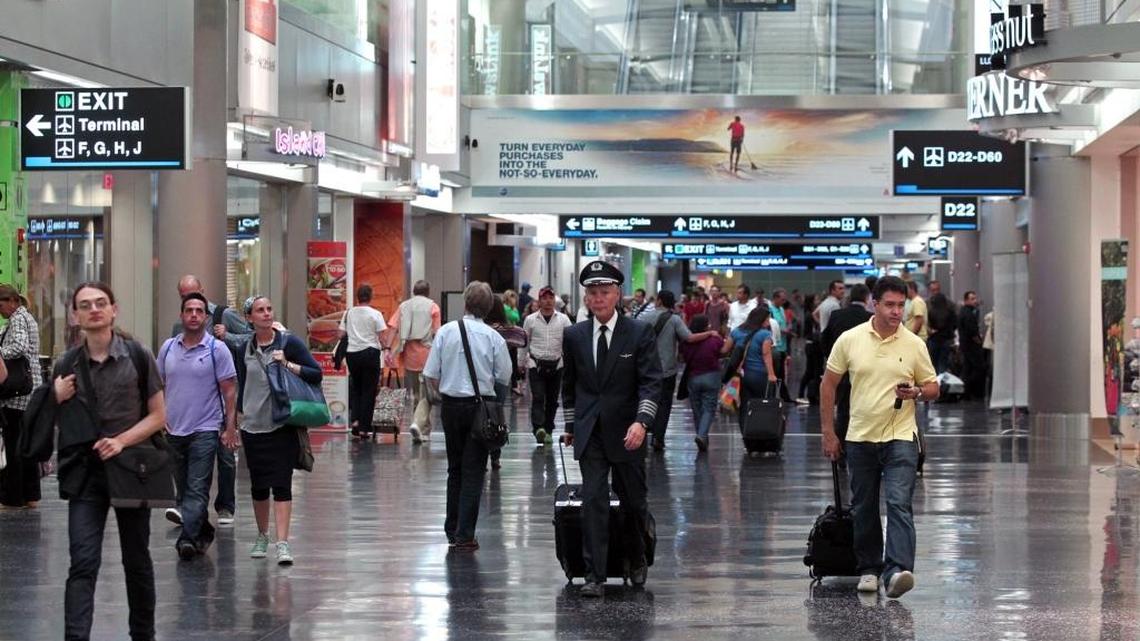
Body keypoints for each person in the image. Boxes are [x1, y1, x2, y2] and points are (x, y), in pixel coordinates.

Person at [47, 283, 167, 641]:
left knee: (136, 559)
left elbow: (159, 416)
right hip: (85, 474)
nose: (94, 310)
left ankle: (143, 634)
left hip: (132, 469)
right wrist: (53, 397)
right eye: (85, 305)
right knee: (82, 562)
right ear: (75, 316)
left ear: (114, 310)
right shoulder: (66, 364)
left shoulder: (137, 356)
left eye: (101, 303)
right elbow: (54, 423)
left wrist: (120, 441)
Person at [820, 276, 938, 600]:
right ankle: (869, 568)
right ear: (874, 303)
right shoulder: (850, 339)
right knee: (864, 506)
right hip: (859, 437)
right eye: (889, 304)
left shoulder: (914, 344)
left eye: (901, 305)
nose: (896, 311)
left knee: (899, 503)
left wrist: (916, 391)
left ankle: (897, 570)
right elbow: (828, 385)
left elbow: (933, 387)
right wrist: (829, 433)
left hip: (901, 435)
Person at [561, 260, 663, 597]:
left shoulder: (638, 333)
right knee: (593, 501)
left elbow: (651, 383)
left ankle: (636, 558)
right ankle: (594, 574)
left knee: (634, 503)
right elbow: (570, 385)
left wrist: (642, 422)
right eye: (592, 293)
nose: (598, 298)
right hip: (591, 434)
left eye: (604, 292)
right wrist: (571, 426)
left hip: (628, 433)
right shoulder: (574, 336)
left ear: (617, 294)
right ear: (586, 298)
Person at [234, 295, 322, 566]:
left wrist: (287, 363)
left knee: (281, 483)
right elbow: (240, 384)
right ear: (249, 318)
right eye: (259, 310)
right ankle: (263, 535)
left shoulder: (288, 342)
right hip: (252, 426)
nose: (266, 314)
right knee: (259, 485)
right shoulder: (244, 347)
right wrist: (235, 422)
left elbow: (315, 373)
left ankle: (282, 543)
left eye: (269, 309)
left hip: (281, 422)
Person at [424, 282, 512, 551]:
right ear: (488, 309)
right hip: (479, 408)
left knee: (455, 469)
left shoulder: (446, 332)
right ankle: (464, 534)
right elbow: (504, 375)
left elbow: (431, 373)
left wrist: (443, 392)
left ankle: (451, 529)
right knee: (474, 471)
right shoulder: (493, 337)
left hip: (450, 407)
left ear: (464, 304)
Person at [156, 293, 238, 560]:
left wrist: (229, 428)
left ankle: (187, 540)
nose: (193, 314)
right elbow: (158, 385)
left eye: (198, 311)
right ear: (181, 315)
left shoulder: (217, 349)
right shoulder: (168, 347)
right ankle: (202, 531)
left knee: (197, 487)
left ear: (205, 316)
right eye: (189, 310)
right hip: (174, 429)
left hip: (205, 428)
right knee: (183, 489)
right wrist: (158, 417)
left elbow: (229, 392)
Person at [173, 274, 249, 526]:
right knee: (189, 460)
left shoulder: (223, 316)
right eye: (184, 298)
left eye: (193, 295)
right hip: (192, 407)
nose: (191, 305)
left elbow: (252, 337)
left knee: (225, 456)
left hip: (220, 400)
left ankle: (225, 506)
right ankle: (186, 505)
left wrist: (229, 337)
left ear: (203, 292)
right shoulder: (177, 330)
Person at [644, 291, 716, 452]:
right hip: (667, 370)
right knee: (664, 404)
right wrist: (709, 333)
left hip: (646, 369)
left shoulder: (644, 317)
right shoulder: (674, 319)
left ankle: (645, 429)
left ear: (659, 301)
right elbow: (689, 338)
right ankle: (658, 437)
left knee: (646, 401)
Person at [0, 285, 43, 509]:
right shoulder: (27, 318)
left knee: (13, 444)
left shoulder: (17, 319)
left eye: (1, 303)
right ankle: (31, 496)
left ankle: (12, 498)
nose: (0, 309)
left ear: (13, 301)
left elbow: (18, 346)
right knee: (26, 447)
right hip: (30, 391)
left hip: (18, 394)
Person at [388, 280, 442, 444]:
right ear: (428, 292)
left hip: (409, 355)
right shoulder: (433, 307)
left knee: (416, 394)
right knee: (427, 395)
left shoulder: (404, 306)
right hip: (427, 354)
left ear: (413, 291)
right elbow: (437, 332)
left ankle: (420, 427)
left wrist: (387, 348)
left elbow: (392, 327)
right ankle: (421, 427)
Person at [820, 284, 873, 447]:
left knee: (843, 409)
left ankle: (842, 450)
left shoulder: (837, 315)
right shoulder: (870, 317)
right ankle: (863, 445)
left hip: (842, 369)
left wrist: (832, 359)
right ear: (866, 298)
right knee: (865, 408)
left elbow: (824, 338)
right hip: (866, 370)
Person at [522, 286, 572, 447]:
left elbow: (571, 343)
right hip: (536, 364)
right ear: (539, 300)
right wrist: (520, 362)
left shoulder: (563, 320)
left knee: (552, 400)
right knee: (538, 397)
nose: (548, 301)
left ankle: (549, 430)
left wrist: (572, 362)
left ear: (554, 300)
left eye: (551, 298)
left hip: (557, 364)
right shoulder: (530, 320)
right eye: (544, 298)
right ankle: (538, 429)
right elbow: (524, 343)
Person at [725, 307, 778, 457]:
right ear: (760, 319)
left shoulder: (737, 331)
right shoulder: (765, 334)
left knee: (744, 408)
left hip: (742, 377)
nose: (768, 323)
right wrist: (772, 374)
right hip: (761, 376)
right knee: (762, 408)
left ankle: (748, 440)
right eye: (767, 319)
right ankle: (762, 441)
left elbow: (725, 350)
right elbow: (766, 354)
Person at [341, 284, 386, 439]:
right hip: (370, 353)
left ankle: (355, 420)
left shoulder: (349, 313)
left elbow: (341, 333)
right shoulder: (376, 314)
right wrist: (386, 350)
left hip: (352, 354)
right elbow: (382, 336)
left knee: (357, 387)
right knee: (369, 390)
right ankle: (363, 428)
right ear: (371, 296)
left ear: (357, 297)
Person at [678, 315, 724, 451]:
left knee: (697, 409)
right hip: (711, 376)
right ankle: (702, 435)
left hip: (693, 377)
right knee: (709, 408)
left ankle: (702, 436)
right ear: (705, 326)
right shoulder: (714, 339)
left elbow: (681, 358)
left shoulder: (686, 342)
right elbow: (723, 351)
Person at [767, 289, 794, 402]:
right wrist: (784, 331)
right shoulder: (770, 310)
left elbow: (783, 323)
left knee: (782, 374)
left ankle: (784, 397)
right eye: (782, 299)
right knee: (775, 374)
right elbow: (771, 326)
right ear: (776, 298)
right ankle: (772, 397)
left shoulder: (782, 309)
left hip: (782, 345)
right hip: (774, 347)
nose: (784, 301)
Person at [957, 291, 985, 399]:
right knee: (979, 368)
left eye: (975, 298)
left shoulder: (963, 312)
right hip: (971, 346)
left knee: (968, 368)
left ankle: (966, 391)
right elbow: (972, 331)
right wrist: (979, 341)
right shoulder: (969, 314)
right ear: (966, 300)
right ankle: (970, 388)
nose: (975, 301)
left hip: (965, 345)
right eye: (972, 299)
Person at [796, 294, 820, 404]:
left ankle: (803, 394)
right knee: (812, 371)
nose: (818, 301)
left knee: (810, 371)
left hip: (810, 344)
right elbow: (814, 329)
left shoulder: (809, 314)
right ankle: (807, 394)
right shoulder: (810, 315)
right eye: (816, 299)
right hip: (812, 345)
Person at [926, 293, 957, 374]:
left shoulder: (931, 312)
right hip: (946, 339)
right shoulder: (950, 312)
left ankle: (935, 382)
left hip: (934, 339)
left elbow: (930, 325)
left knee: (933, 363)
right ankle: (942, 383)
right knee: (943, 363)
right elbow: (955, 325)